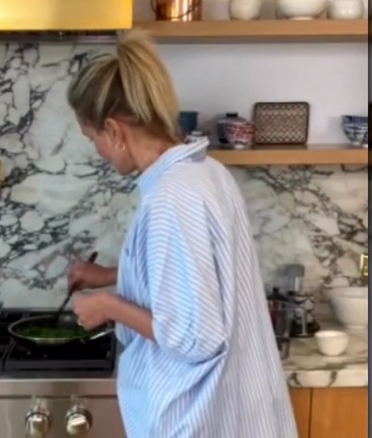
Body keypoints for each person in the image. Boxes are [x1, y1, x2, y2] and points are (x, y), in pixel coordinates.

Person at [66, 29, 299, 438]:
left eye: (93, 139)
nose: (98, 152)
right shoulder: (205, 173)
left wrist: (108, 305)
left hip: (200, 419)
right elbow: (193, 279)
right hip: (235, 413)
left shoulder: (172, 198)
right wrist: (109, 276)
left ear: (115, 131)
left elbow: (196, 337)